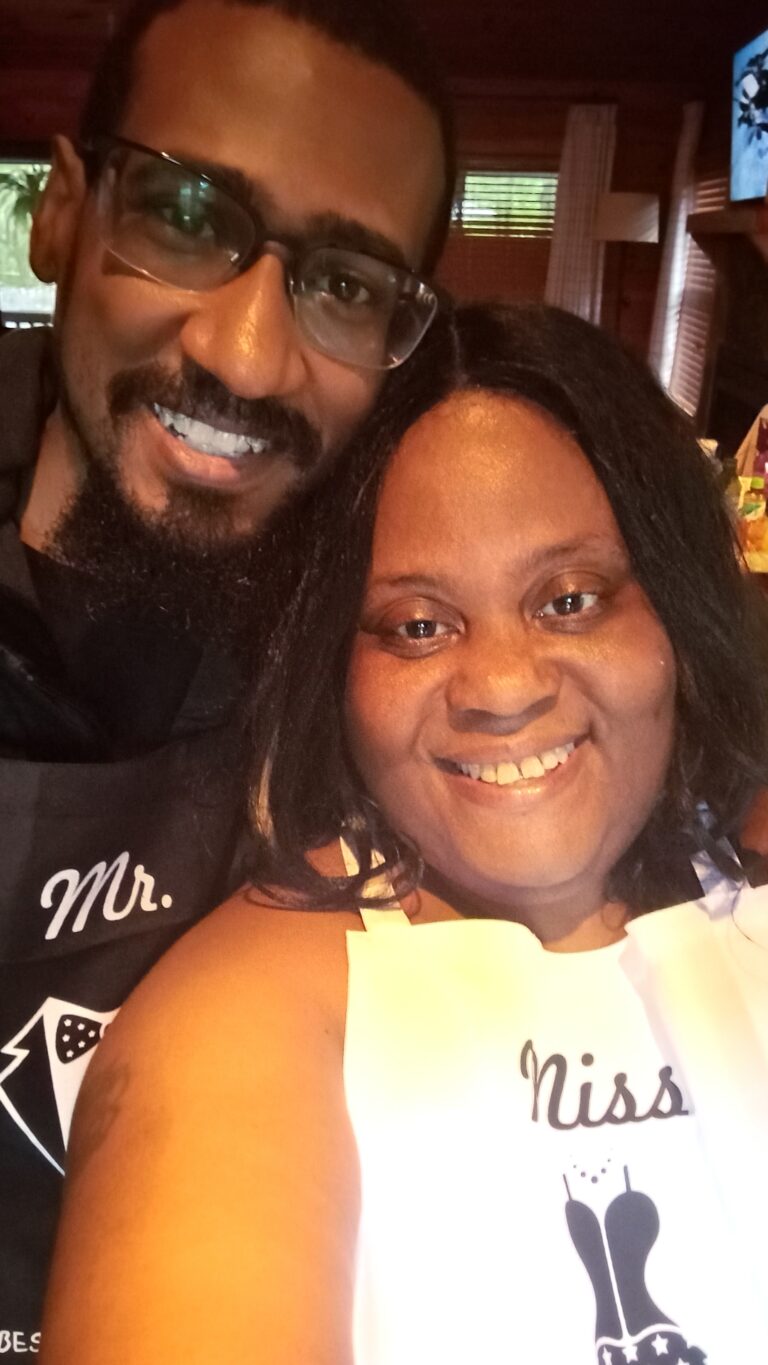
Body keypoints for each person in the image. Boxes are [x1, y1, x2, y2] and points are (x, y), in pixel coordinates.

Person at [40, 303, 768, 1364]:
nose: (504, 688)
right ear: (336, 663)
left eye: (570, 600)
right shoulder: (244, 1019)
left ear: (672, 613)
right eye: (419, 625)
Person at [0, 0, 452, 1347]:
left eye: (345, 284)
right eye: (188, 216)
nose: (245, 352)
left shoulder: (392, 683)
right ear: (62, 215)